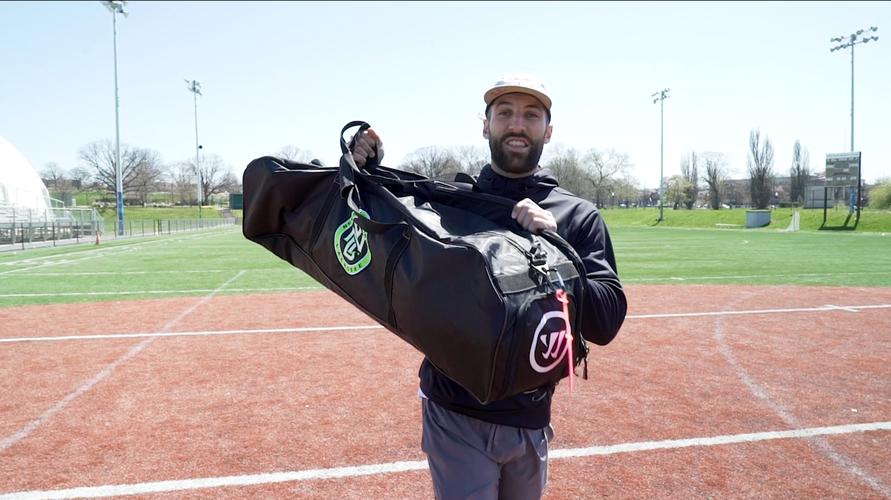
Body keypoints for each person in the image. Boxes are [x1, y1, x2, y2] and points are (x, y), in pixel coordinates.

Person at [351, 73, 627, 500]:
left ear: (547, 131)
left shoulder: (577, 216)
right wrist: (366, 168)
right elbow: (379, 223)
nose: (517, 124)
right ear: (486, 126)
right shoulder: (452, 200)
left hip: (531, 414)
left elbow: (606, 322)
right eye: (505, 113)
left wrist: (557, 244)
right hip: (453, 408)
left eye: (531, 115)